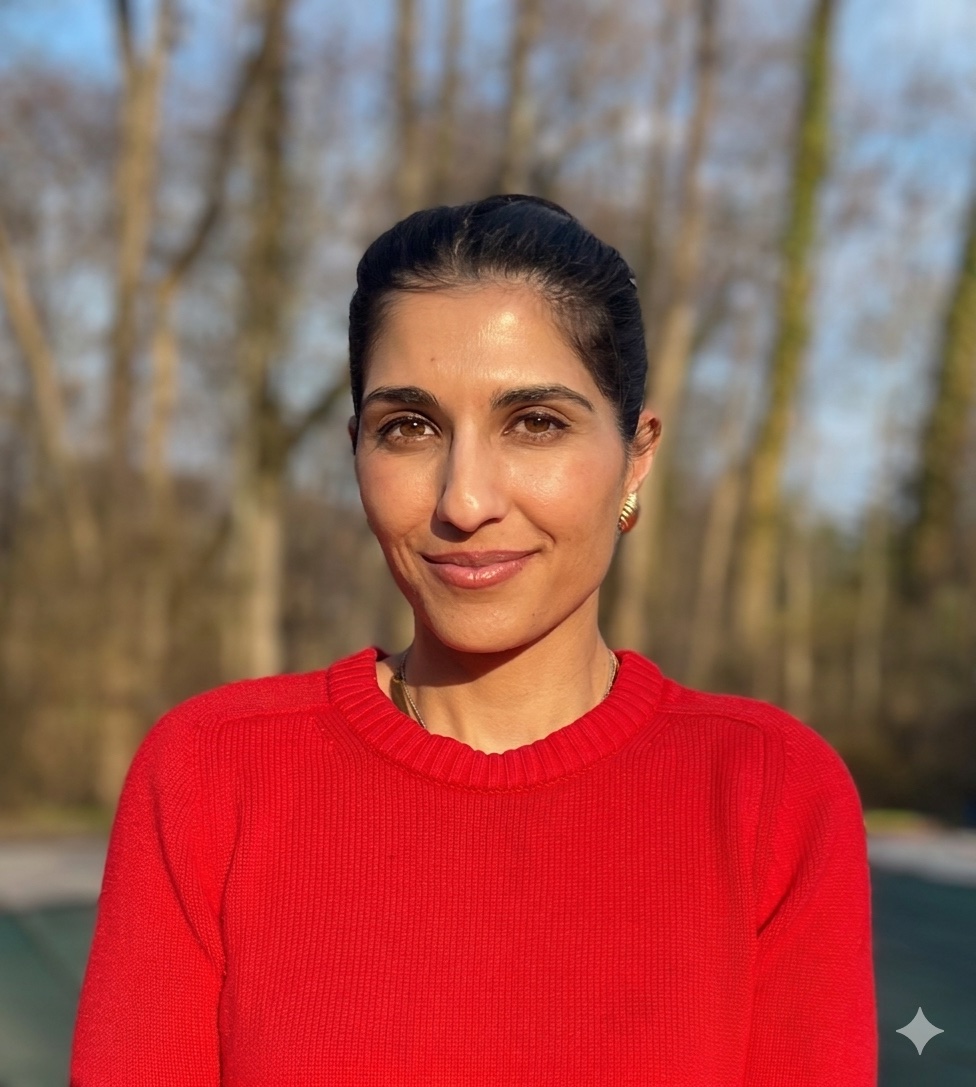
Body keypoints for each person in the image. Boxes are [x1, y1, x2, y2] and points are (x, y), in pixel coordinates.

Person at [70, 194, 877, 1085]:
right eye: (408, 428)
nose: (464, 499)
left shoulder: (771, 796)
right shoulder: (210, 776)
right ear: (356, 451)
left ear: (636, 455)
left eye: (535, 423)